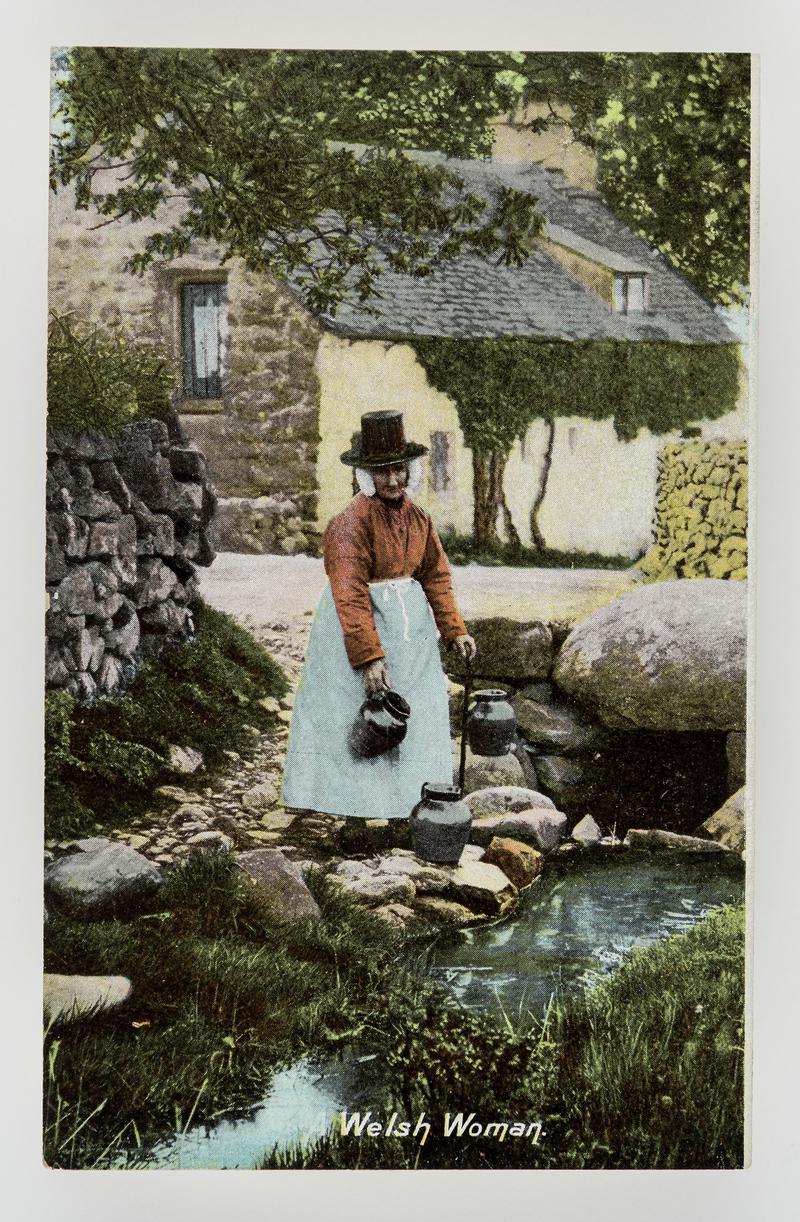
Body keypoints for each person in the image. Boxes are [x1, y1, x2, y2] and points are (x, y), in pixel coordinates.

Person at [281, 410, 476, 821]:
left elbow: (436, 576)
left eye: (399, 470)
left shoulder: (419, 520)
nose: (393, 481)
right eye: (383, 472)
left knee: (412, 719)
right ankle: (355, 814)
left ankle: (407, 807)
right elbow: (349, 592)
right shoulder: (349, 524)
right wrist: (369, 657)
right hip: (357, 631)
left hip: (410, 635)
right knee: (360, 717)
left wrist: (453, 629)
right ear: (367, 475)